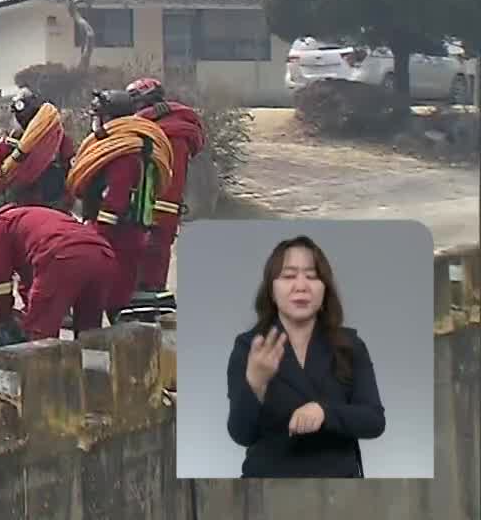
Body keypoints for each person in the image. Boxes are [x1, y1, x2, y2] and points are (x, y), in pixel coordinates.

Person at [226, 235, 385, 478]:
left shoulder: (350, 346)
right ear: (271, 288)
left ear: (325, 289)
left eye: (311, 276)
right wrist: (255, 384)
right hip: (268, 489)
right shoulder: (249, 347)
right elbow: (241, 434)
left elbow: (374, 420)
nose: (301, 286)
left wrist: (325, 413)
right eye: (289, 276)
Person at [67, 88, 170, 320]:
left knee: (114, 299)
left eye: (98, 115)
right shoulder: (116, 146)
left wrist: (95, 234)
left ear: (110, 117)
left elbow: (115, 200)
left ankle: (119, 343)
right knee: (102, 295)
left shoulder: (126, 152)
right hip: (119, 232)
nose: (95, 121)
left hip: (121, 235)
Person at [0, 201, 117, 341]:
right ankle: (93, 361)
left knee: (40, 335)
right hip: (103, 254)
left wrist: (4, 319)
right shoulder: (37, 218)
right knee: (90, 333)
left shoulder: (0, 225)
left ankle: (37, 363)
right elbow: (33, 278)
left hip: (63, 256)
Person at [127, 78, 206, 295]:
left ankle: (149, 302)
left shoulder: (165, 132)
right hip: (164, 204)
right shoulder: (174, 128)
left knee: (150, 257)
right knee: (156, 256)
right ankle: (152, 298)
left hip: (155, 205)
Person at [0, 87, 76, 209]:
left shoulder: (57, 138)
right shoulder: (12, 138)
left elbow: (70, 171)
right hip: (19, 202)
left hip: (51, 203)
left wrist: (66, 202)